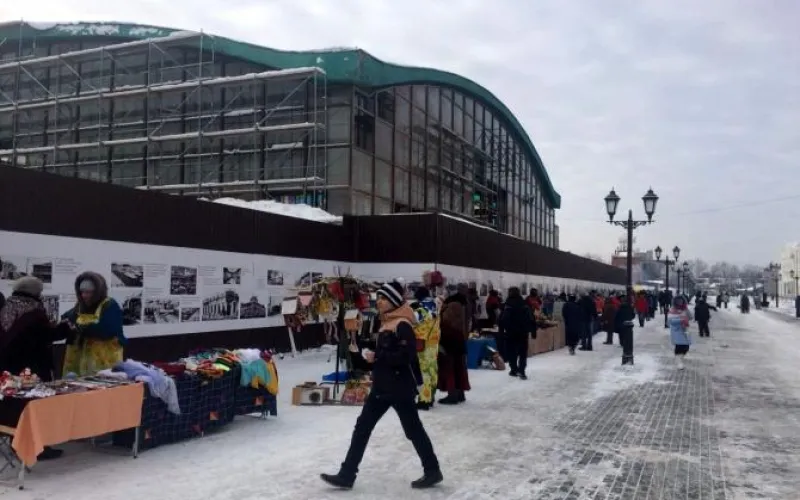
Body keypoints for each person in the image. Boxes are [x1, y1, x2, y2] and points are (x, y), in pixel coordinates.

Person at [321, 281, 442, 490]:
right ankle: (347, 474)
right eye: (379, 298)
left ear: (393, 301)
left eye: (383, 299)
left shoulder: (402, 324)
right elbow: (388, 355)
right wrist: (366, 355)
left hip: (399, 388)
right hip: (382, 387)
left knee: (413, 430)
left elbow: (407, 356)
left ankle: (432, 470)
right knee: (362, 427)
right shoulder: (386, 322)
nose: (379, 302)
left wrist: (379, 355)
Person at [0, 277, 73, 460]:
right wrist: (65, 328)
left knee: (12, 402)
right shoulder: (34, 310)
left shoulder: (8, 305)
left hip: (8, 365)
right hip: (32, 367)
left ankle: (12, 438)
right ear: (35, 292)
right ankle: (35, 447)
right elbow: (46, 335)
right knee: (35, 404)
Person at [61, 272, 126, 376]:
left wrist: (81, 328)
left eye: (88, 292)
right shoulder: (80, 305)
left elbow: (107, 330)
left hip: (103, 359)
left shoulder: (109, 305)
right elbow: (68, 317)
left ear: (97, 292)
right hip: (79, 359)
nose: (84, 295)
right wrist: (66, 323)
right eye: (82, 292)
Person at [437, 284, 470, 405]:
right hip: (459, 339)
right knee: (459, 367)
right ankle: (460, 393)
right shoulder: (463, 303)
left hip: (450, 340)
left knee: (450, 367)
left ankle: (452, 394)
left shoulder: (452, 305)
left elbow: (446, 323)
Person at [499, 287, 534, 379]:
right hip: (523, 333)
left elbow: (504, 319)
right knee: (522, 353)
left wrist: (502, 330)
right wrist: (532, 330)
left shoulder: (507, 305)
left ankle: (514, 370)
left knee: (511, 352)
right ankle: (522, 371)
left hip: (511, 333)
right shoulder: (524, 304)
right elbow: (530, 318)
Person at [668, 296, 693, 370]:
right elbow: (670, 321)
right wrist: (681, 320)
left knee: (686, 347)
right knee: (679, 347)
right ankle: (679, 362)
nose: (680, 302)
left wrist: (686, 310)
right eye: (678, 301)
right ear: (675, 302)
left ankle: (679, 359)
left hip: (685, 330)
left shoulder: (685, 309)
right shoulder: (672, 309)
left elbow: (691, 317)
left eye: (681, 300)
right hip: (676, 330)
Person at [615, 293, 637, 365]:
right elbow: (633, 315)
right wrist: (629, 318)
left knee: (621, 334)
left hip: (621, 323)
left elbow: (617, 316)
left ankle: (622, 343)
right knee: (626, 334)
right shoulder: (630, 307)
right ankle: (626, 346)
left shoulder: (620, 308)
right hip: (628, 323)